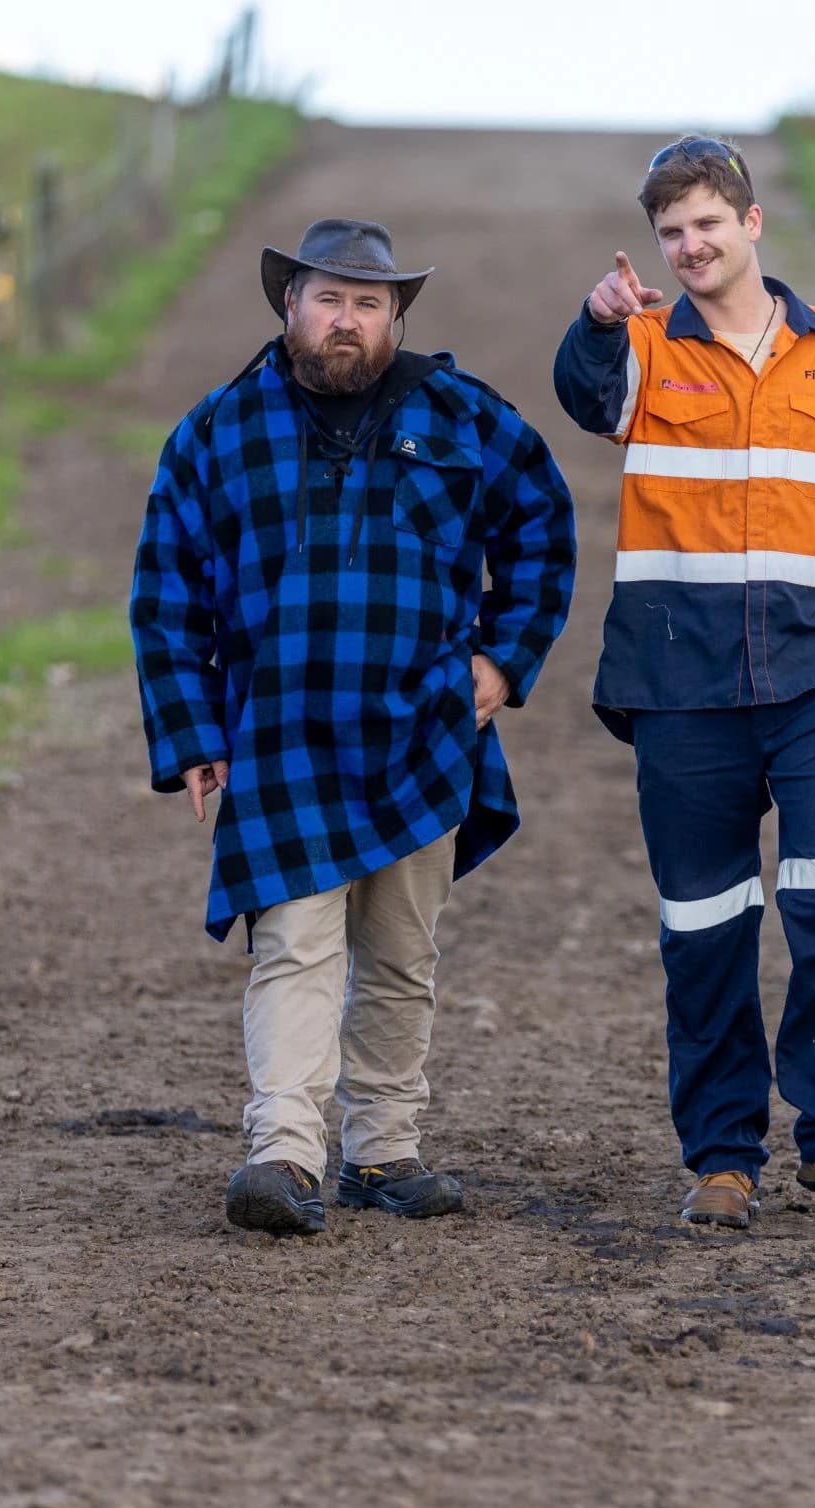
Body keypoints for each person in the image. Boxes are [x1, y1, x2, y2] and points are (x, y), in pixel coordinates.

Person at [133, 217, 578, 1237]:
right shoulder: (218, 430)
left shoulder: (460, 414)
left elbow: (543, 523)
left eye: (368, 304)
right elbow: (164, 592)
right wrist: (193, 733)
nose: (347, 321)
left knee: (400, 949)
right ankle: (282, 1151)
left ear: (395, 316)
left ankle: (381, 1151)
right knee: (292, 941)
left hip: (424, 727)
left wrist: (503, 657)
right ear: (288, 305)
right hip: (279, 730)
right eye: (328, 299)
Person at [551, 138, 815, 1230]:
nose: (689, 247)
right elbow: (582, 396)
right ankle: (721, 1156)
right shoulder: (643, 347)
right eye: (671, 234)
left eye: (706, 225)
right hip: (680, 680)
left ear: (751, 224)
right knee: (706, 923)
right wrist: (594, 317)